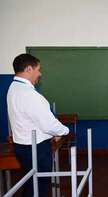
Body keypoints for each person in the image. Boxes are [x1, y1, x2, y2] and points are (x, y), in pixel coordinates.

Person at [7, 54, 69, 197]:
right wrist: (64, 130)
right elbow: (49, 124)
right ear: (29, 69)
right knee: (40, 186)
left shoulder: (13, 88)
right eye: (38, 69)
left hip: (21, 145)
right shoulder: (30, 95)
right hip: (36, 148)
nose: (39, 74)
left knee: (31, 182)